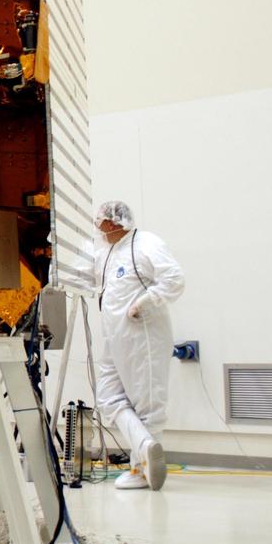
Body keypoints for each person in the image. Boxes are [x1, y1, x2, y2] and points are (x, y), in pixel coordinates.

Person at [93, 200, 185, 491]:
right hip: (114, 336)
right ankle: (145, 446)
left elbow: (174, 279)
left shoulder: (146, 243)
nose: (98, 229)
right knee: (107, 397)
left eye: (101, 223)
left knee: (146, 403)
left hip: (143, 334)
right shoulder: (108, 252)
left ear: (112, 223)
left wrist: (145, 301)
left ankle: (141, 469)